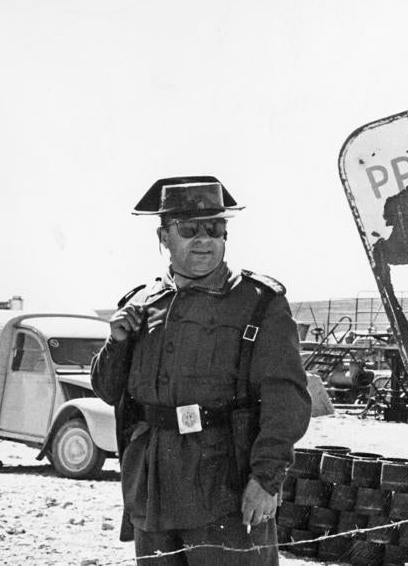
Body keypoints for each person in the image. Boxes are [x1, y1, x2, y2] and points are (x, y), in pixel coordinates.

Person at [92, 176, 311, 565]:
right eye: (189, 230)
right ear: (164, 238)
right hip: (153, 490)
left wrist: (266, 479)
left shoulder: (258, 303)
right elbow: (109, 391)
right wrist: (117, 343)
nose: (204, 239)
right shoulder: (141, 305)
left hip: (225, 489)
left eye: (215, 228)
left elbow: (286, 400)